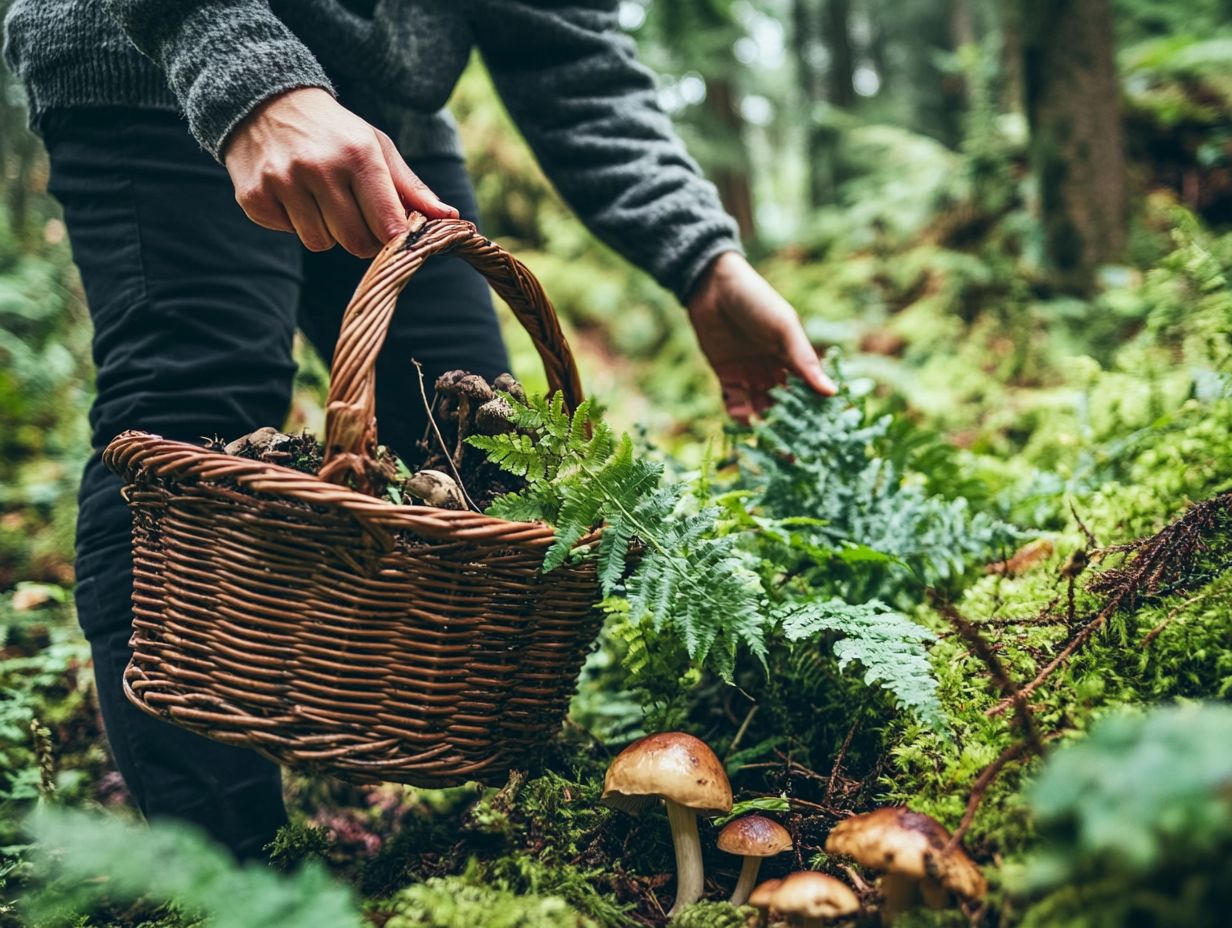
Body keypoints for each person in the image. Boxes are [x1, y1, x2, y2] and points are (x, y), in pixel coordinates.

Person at [3, 0, 834, 859]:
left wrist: (703, 258)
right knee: (189, 428)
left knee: (483, 456)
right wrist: (244, 69)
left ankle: (486, 834)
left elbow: (570, 52)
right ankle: (230, 877)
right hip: (149, 61)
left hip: (386, 115)